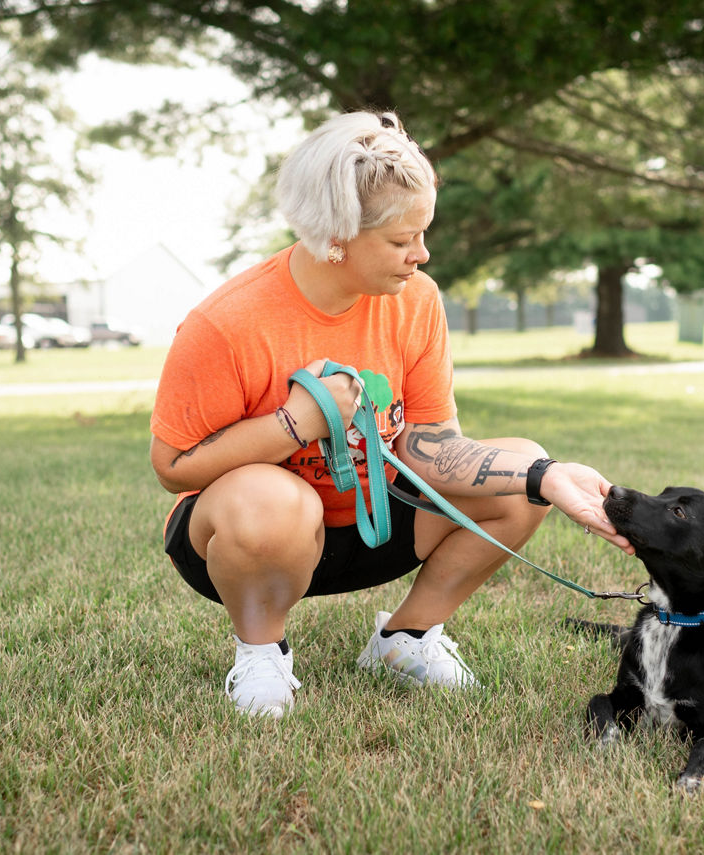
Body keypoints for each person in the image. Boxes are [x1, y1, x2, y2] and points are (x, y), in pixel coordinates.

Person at [150, 110, 631, 718]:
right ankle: (260, 651)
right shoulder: (225, 323)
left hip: (377, 522)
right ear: (333, 238)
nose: (421, 256)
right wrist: (294, 425)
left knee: (517, 468)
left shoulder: (416, 301)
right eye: (402, 241)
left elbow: (430, 445)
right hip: (249, 534)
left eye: (422, 234)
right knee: (273, 500)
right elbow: (173, 468)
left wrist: (542, 476)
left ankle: (405, 639)